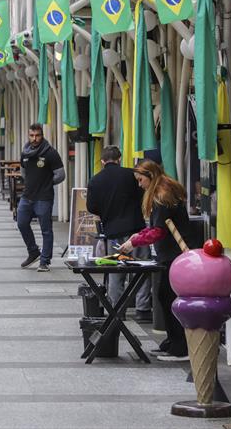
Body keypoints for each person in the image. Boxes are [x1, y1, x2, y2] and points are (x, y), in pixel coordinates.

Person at [120, 160, 190, 361]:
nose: (139, 184)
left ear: (150, 176)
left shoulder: (161, 198)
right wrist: (135, 238)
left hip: (173, 255)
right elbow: (155, 228)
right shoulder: (165, 192)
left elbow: (158, 231)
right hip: (172, 254)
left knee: (167, 297)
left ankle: (179, 346)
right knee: (164, 296)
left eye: (140, 180)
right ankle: (172, 342)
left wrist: (134, 243)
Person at [86, 145, 152, 323]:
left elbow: (91, 207)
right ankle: (143, 308)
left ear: (102, 162)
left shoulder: (95, 181)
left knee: (116, 271)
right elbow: (142, 195)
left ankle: (117, 309)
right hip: (136, 229)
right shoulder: (131, 175)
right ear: (119, 159)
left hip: (113, 231)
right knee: (143, 268)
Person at [18, 123, 65, 272]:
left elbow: (61, 175)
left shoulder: (50, 153)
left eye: (37, 135)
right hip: (27, 196)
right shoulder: (25, 152)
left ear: (42, 135)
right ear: (28, 135)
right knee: (21, 223)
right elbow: (23, 172)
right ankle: (33, 252)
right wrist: (30, 184)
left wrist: (46, 183)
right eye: (32, 135)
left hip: (44, 198)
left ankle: (45, 261)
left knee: (46, 230)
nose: (34, 138)